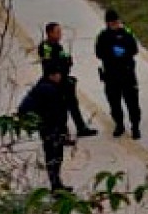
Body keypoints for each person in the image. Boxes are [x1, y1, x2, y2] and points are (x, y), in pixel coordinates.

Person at [18, 59, 74, 193]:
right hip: (50, 128)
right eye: (58, 74)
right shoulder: (48, 89)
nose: (60, 76)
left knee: (55, 156)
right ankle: (56, 186)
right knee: (54, 156)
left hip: (50, 127)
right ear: (52, 75)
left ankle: (57, 184)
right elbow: (56, 111)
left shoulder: (44, 86)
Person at [37, 22, 98, 138]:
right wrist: (61, 66)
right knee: (61, 109)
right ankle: (62, 133)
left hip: (65, 80)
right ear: (50, 33)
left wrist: (67, 61)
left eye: (60, 32)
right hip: (55, 82)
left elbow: (63, 58)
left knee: (73, 105)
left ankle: (81, 127)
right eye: (57, 32)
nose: (60, 34)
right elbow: (49, 63)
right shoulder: (46, 47)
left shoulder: (58, 46)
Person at [95, 9, 142, 139]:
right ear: (108, 23)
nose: (116, 24)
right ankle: (119, 125)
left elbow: (134, 49)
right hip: (111, 75)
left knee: (132, 103)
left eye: (117, 22)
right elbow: (99, 53)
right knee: (114, 103)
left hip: (127, 74)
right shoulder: (103, 36)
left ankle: (135, 127)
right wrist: (111, 53)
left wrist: (124, 53)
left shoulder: (127, 32)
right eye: (113, 22)